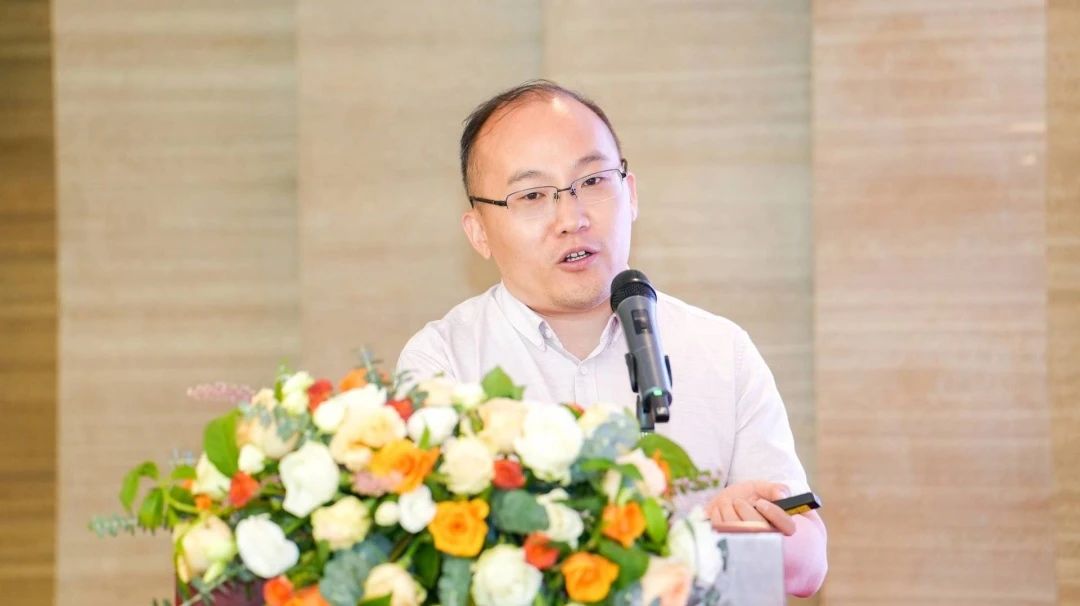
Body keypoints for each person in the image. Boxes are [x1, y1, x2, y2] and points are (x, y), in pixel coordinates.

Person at [396, 80, 827, 596]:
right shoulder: (444, 363)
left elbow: (807, 566)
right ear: (479, 232)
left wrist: (745, 531)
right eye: (532, 195)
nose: (572, 218)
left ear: (632, 194)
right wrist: (679, 542)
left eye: (593, 180)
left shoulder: (719, 350)